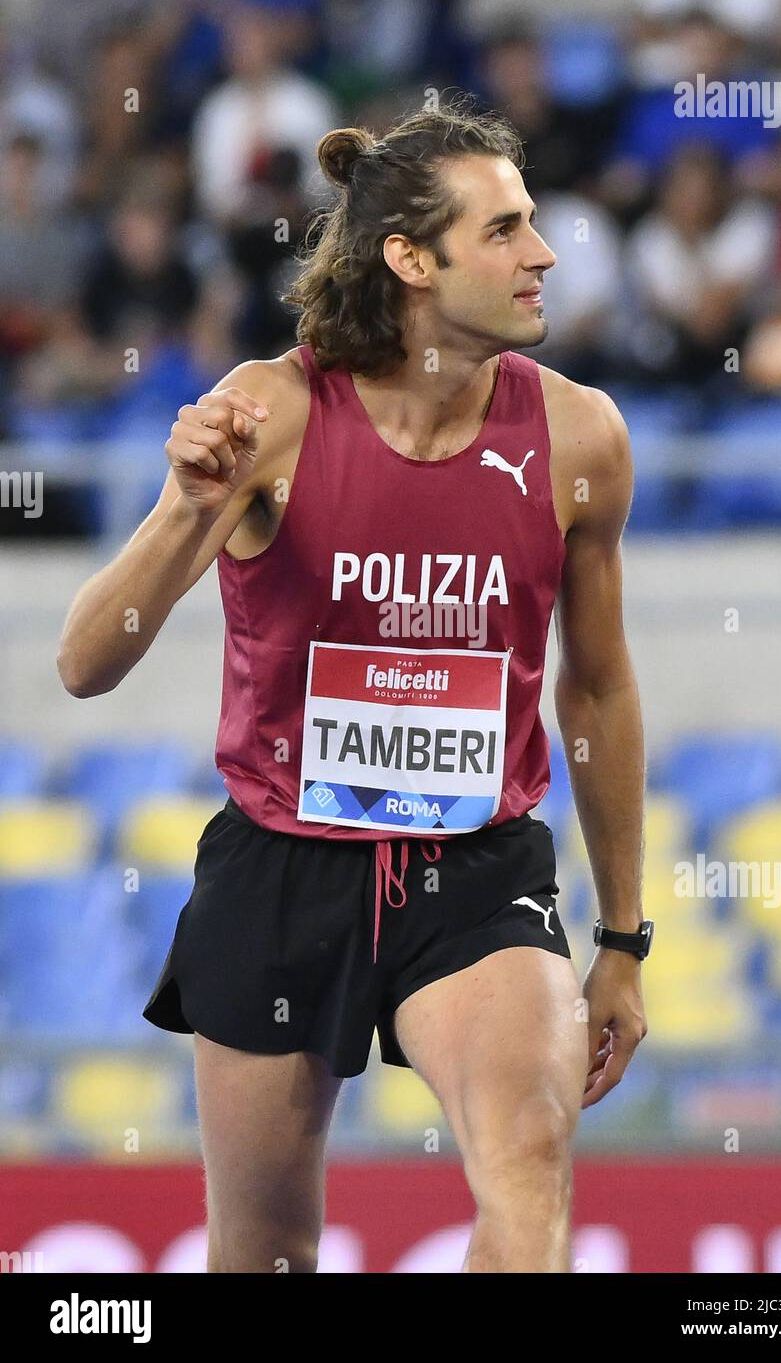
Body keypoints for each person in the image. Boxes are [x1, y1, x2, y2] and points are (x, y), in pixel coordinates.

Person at [57, 103, 650, 1274]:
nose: (543, 255)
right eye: (506, 231)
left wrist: (623, 937)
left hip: (476, 874)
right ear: (411, 259)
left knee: (527, 1171)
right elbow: (85, 663)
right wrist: (186, 509)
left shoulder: (580, 437)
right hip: (282, 869)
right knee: (266, 1249)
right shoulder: (271, 413)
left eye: (532, 225)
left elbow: (595, 694)